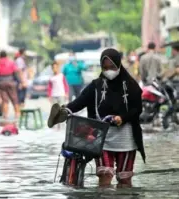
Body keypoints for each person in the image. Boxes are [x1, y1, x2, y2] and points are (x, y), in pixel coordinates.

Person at [48, 48, 146, 187]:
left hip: (126, 139)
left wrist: (122, 118)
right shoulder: (96, 85)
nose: (109, 71)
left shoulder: (131, 86)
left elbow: (137, 110)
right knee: (105, 176)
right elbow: (80, 101)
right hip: (101, 138)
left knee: (125, 180)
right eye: (105, 67)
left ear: (119, 65)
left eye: (112, 67)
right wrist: (67, 110)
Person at [0, 50, 21, 119]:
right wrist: (18, 81)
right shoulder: (11, 62)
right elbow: (15, 72)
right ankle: (17, 114)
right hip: (11, 82)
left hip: (2, 83)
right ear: (6, 55)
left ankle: (5, 115)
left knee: (5, 100)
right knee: (14, 99)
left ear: (0, 56)